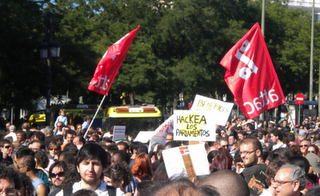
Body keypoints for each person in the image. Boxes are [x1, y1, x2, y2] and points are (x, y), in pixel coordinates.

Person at [55, 143, 124, 196]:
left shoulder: (116, 194)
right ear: (78, 167)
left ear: (103, 168)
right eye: (86, 163)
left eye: (95, 164)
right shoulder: (64, 194)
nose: (90, 169)